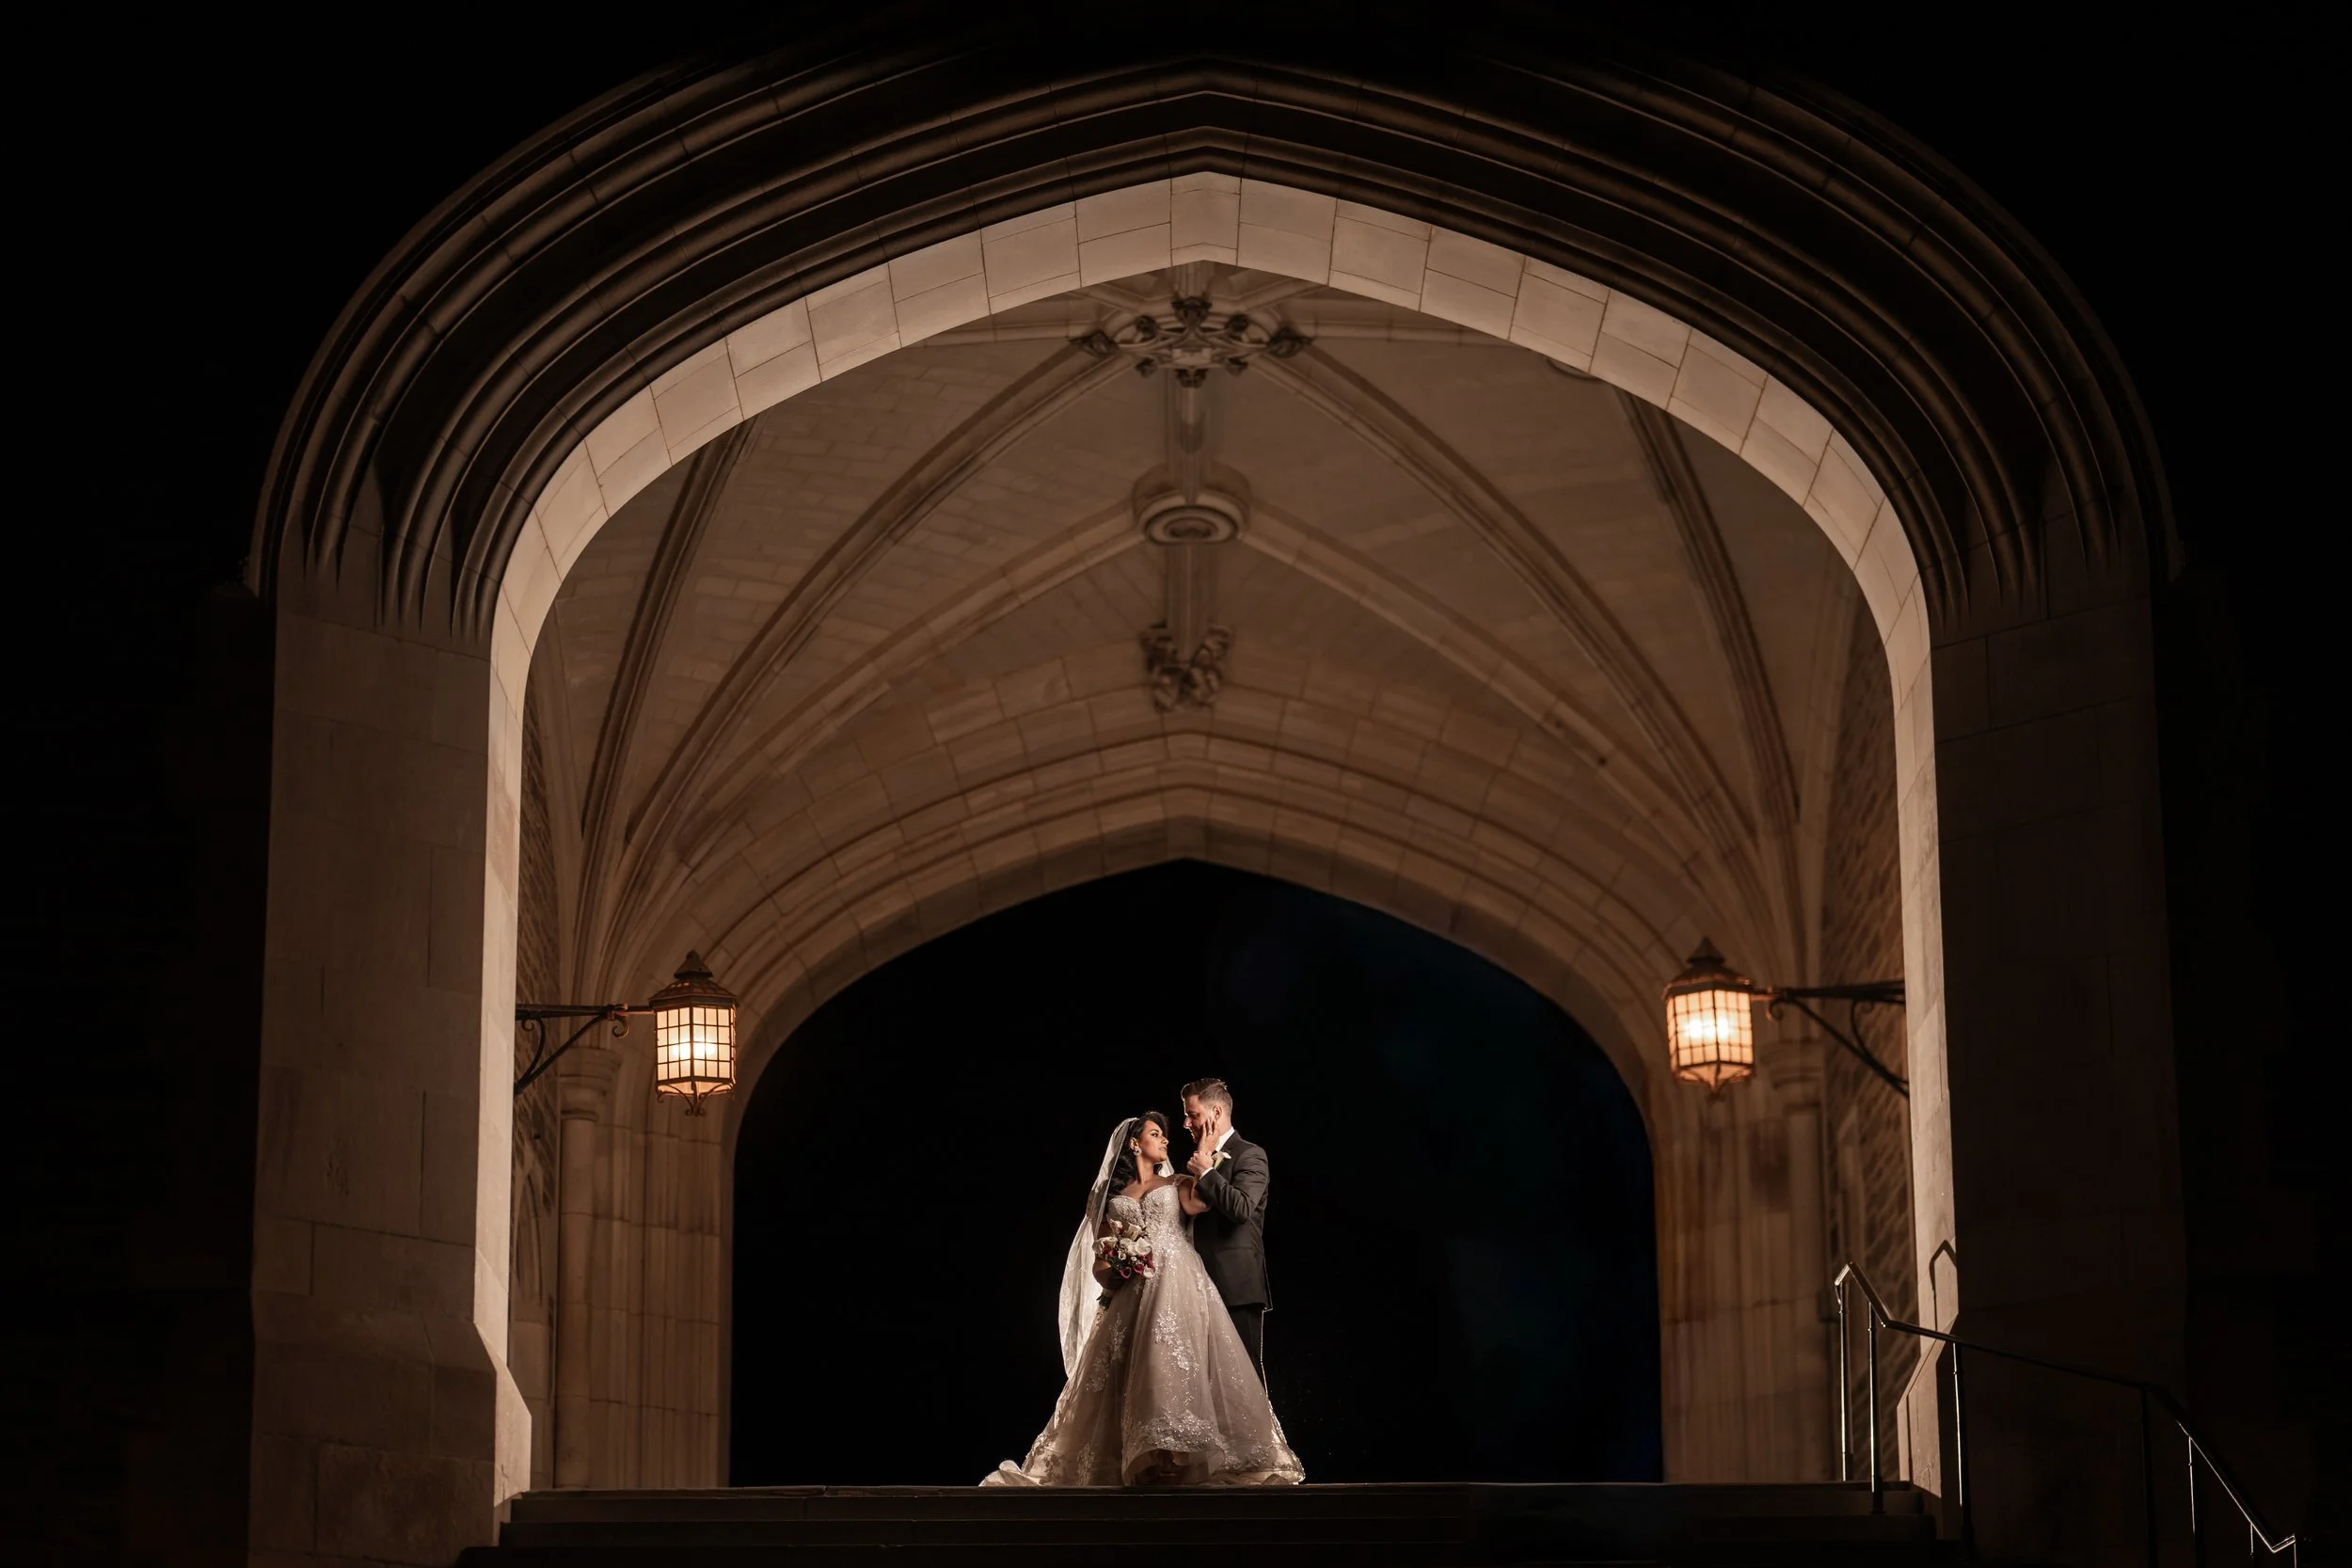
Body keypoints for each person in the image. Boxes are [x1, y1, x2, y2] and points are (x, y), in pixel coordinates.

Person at [983, 1111, 1303, 1486]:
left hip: (1179, 1279)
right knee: (1139, 1366)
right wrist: (1119, 1268)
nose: (1165, 1140)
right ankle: (1142, 1453)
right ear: (1135, 1144)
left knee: (1171, 1357)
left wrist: (1203, 1151)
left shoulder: (1178, 1182)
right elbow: (1100, 1264)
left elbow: (1200, 1205)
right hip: (1135, 1289)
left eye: (1166, 1135)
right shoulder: (1113, 1199)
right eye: (1156, 1134)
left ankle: (1177, 1452)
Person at [1180, 1077, 1272, 1381]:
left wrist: (1206, 1171)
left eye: (1192, 1114)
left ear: (1216, 1113)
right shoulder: (1197, 1162)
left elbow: (1242, 1208)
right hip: (1195, 1287)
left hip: (1236, 1289)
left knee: (1245, 1382)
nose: (1186, 1123)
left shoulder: (1250, 1155)